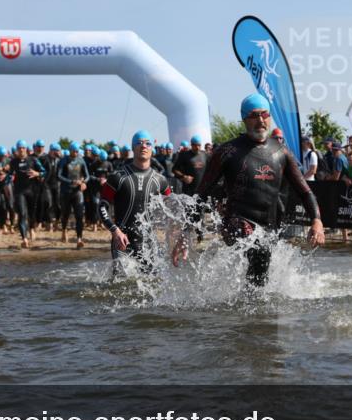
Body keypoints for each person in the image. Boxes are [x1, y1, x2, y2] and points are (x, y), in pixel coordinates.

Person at [172, 93, 324, 286]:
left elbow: (305, 191)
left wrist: (316, 221)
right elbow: (201, 194)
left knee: (259, 280)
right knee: (256, 248)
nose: (260, 120)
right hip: (237, 223)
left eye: (264, 114)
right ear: (244, 119)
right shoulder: (227, 151)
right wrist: (185, 233)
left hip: (268, 226)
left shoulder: (281, 152)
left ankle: (243, 302)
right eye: (254, 115)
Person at [100, 129, 174, 275]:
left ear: (152, 148)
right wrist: (115, 231)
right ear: (133, 148)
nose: (143, 146)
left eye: (147, 143)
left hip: (148, 242)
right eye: (139, 143)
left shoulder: (160, 180)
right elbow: (102, 206)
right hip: (122, 241)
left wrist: (174, 235)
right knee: (121, 284)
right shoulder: (118, 177)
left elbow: (172, 208)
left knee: (151, 283)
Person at [7, 140, 45, 248]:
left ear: (26, 149)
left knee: (31, 213)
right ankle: (24, 239)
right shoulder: (13, 162)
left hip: (32, 191)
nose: (21, 150)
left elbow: (44, 171)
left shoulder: (33, 159)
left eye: (23, 148)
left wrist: (37, 173)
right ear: (17, 149)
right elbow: (10, 174)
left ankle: (31, 228)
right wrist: (8, 178)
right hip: (19, 191)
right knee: (22, 214)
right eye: (19, 148)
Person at [58, 142, 90, 248]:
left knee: (79, 215)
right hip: (66, 191)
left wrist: (84, 182)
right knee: (65, 214)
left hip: (77, 192)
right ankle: (64, 230)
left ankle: (79, 239)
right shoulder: (64, 160)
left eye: (77, 151)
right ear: (70, 151)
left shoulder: (81, 160)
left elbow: (87, 176)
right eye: (74, 151)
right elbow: (59, 175)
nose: (75, 153)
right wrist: (71, 181)